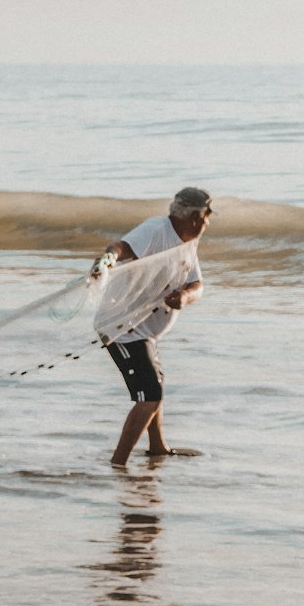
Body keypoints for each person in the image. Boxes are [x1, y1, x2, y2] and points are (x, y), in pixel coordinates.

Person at [91, 186, 212, 467]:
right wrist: (108, 259)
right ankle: (118, 463)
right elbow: (122, 247)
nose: (207, 223)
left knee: (155, 387)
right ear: (196, 217)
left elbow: (197, 284)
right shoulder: (157, 228)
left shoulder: (186, 243)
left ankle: (157, 447)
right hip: (122, 326)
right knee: (149, 395)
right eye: (207, 216)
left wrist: (184, 296)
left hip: (145, 330)